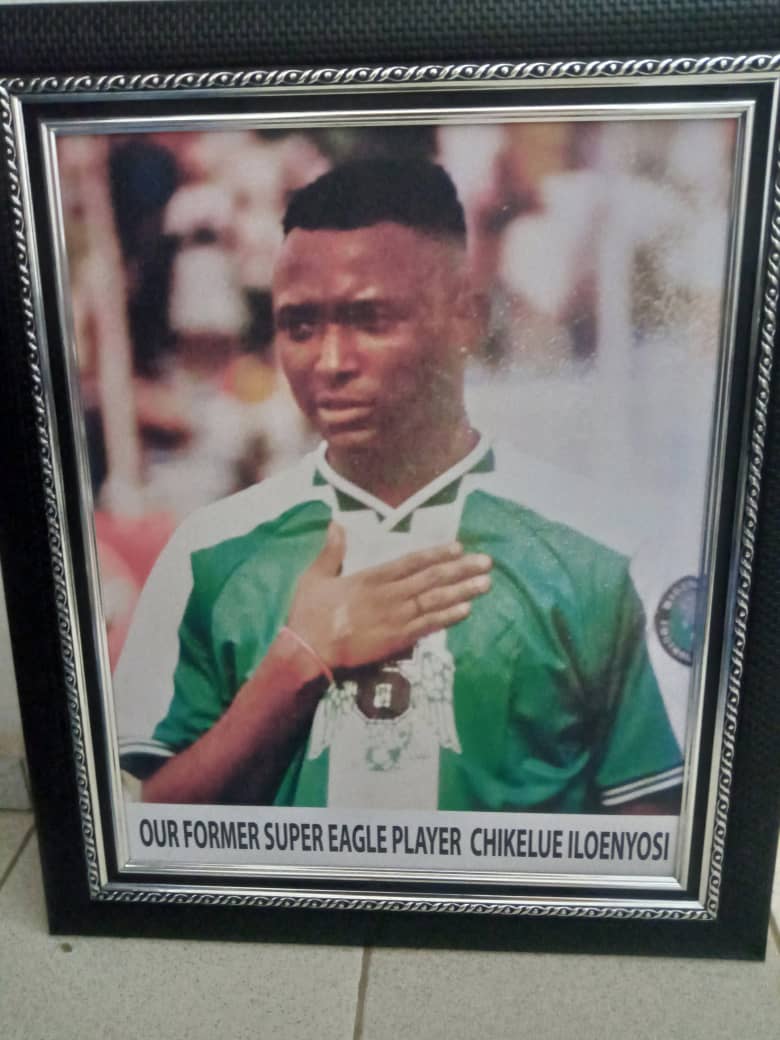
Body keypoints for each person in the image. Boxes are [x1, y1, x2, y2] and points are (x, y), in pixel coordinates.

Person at [116, 157, 684, 814]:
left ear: (466, 318)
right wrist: (295, 665)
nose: (331, 362)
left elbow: (648, 835)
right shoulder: (211, 551)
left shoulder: (592, 557)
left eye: (371, 319)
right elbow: (147, 822)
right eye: (300, 326)